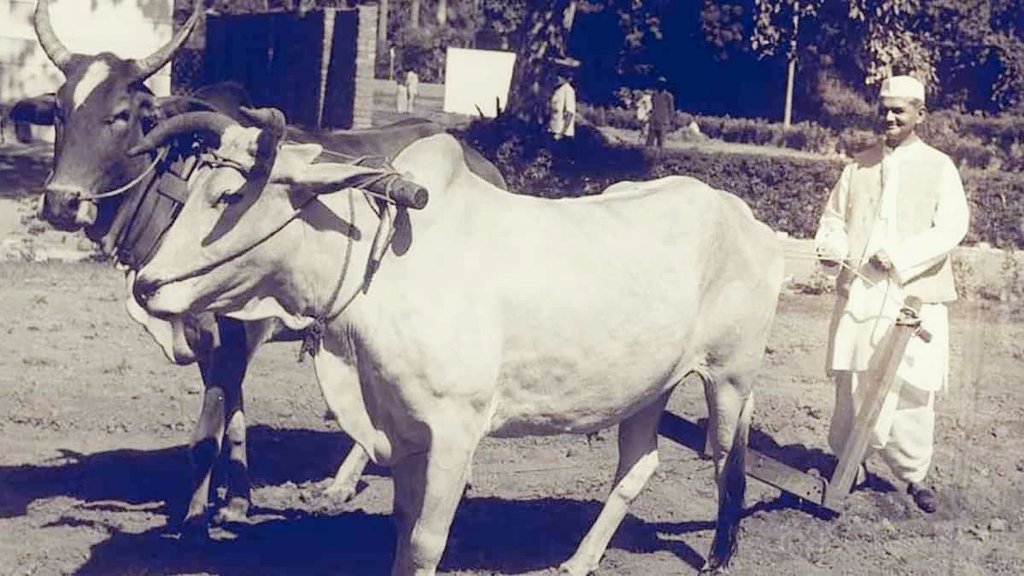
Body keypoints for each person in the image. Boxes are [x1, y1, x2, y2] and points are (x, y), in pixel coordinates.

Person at [814, 75, 970, 513]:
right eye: (885, 109)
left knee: (912, 387)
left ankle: (913, 475)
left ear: (921, 115)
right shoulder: (857, 166)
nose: (890, 117)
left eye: (900, 110)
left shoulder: (940, 167)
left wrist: (901, 256)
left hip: (913, 295)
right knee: (853, 379)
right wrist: (832, 248)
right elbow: (834, 221)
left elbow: (952, 227)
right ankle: (849, 461)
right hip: (862, 294)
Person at [548, 72, 576, 140]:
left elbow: (569, 113)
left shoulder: (568, 90)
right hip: (553, 130)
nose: (558, 78)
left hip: (563, 134)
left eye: (561, 77)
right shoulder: (557, 90)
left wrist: (561, 134)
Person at [647, 79, 674, 148]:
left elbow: (671, 110)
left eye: (662, 84)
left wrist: (669, 121)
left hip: (663, 121)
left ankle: (659, 157)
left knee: (661, 142)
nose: (660, 85)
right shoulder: (654, 95)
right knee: (650, 141)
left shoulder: (668, 96)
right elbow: (652, 106)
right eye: (659, 83)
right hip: (654, 120)